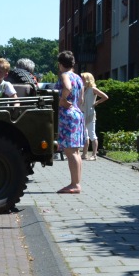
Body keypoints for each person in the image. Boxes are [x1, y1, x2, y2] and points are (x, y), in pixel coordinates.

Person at [54, 51, 84, 194]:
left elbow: (67, 87)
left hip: (67, 115)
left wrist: (62, 100)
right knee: (76, 151)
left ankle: (74, 184)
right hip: (77, 113)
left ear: (60, 64)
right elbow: (81, 99)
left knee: (70, 151)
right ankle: (77, 182)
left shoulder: (65, 75)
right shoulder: (78, 78)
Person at [80, 72, 109, 161]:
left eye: (83, 78)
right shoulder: (83, 89)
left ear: (88, 79)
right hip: (83, 114)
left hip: (90, 114)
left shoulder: (93, 89)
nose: (81, 80)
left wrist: (96, 103)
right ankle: (84, 154)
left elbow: (105, 97)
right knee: (85, 135)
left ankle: (94, 155)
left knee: (92, 134)